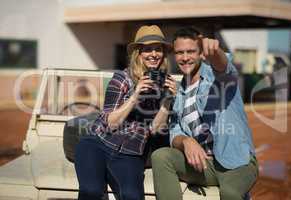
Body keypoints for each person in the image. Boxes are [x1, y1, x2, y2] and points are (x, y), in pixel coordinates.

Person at [151, 27, 258, 200]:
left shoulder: (217, 78)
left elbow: (224, 66)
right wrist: (186, 141)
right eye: (179, 52)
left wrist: (214, 51)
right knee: (161, 156)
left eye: (191, 51)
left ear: (201, 53)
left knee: (229, 193)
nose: (185, 57)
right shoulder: (179, 94)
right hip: (204, 165)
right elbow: (174, 133)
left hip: (237, 162)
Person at [74, 25, 177, 200]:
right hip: (98, 144)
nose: (154, 54)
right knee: (91, 191)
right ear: (138, 53)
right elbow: (110, 123)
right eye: (147, 49)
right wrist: (135, 95)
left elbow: (155, 129)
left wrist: (167, 101)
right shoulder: (122, 78)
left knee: (132, 196)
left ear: (163, 54)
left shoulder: (166, 84)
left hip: (131, 153)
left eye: (158, 49)